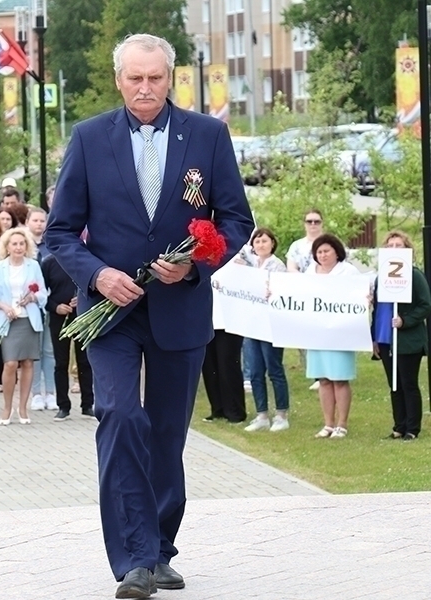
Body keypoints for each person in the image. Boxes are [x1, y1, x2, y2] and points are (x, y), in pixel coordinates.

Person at [45, 34, 253, 597]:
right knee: (118, 415)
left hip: (179, 308)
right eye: (134, 78)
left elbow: (236, 221)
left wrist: (193, 269)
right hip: (110, 312)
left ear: (171, 78)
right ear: (119, 80)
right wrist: (96, 275)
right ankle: (133, 558)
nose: (145, 88)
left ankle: (159, 548)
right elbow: (60, 231)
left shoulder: (208, 136)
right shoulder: (90, 139)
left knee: (165, 433)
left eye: (155, 78)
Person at [0, 228, 48, 426]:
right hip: (8, 320)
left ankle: (23, 407)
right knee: (10, 363)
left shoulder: (34, 266)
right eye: (14, 244)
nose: (18, 247)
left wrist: (32, 297)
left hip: (28, 319)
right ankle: (7, 406)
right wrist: (4, 307)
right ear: (7, 247)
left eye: (22, 243)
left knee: (28, 363)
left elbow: (43, 294)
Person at [372, 231, 431, 441]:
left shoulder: (414, 275)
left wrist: (405, 321)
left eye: (399, 245)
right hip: (386, 339)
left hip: (407, 341)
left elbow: (425, 305)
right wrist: (375, 338)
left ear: (407, 250)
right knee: (393, 384)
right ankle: (399, 425)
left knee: (408, 383)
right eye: (390, 246)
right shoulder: (381, 277)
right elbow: (378, 310)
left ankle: (412, 428)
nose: (394, 249)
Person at [306, 234, 361, 439]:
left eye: (326, 251)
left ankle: (342, 424)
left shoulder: (348, 272)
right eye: (319, 252)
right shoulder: (310, 272)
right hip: (317, 333)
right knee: (324, 379)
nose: (323, 255)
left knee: (339, 379)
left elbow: (360, 296)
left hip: (341, 333)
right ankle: (328, 423)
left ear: (336, 252)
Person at [235, 228, 290, 433]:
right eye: (257, 242)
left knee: (274, 369)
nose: (260, 245)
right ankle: (262, 415)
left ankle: (282, 414)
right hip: (252, 323)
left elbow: (282, 290)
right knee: (255, 371)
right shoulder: (249, 265)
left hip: (271, 324)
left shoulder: (277, 265)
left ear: (272, 243)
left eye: (264, 241)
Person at [41, 252, 95, 420]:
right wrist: (55, 307)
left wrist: (83, 299)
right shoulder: (49, 262)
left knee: (84, 361)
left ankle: (88, 404)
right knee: (61, 362)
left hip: (82, 316)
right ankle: (63, 405)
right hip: (59, 317)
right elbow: (42, 293)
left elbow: (94, 287)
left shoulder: (84, 258)